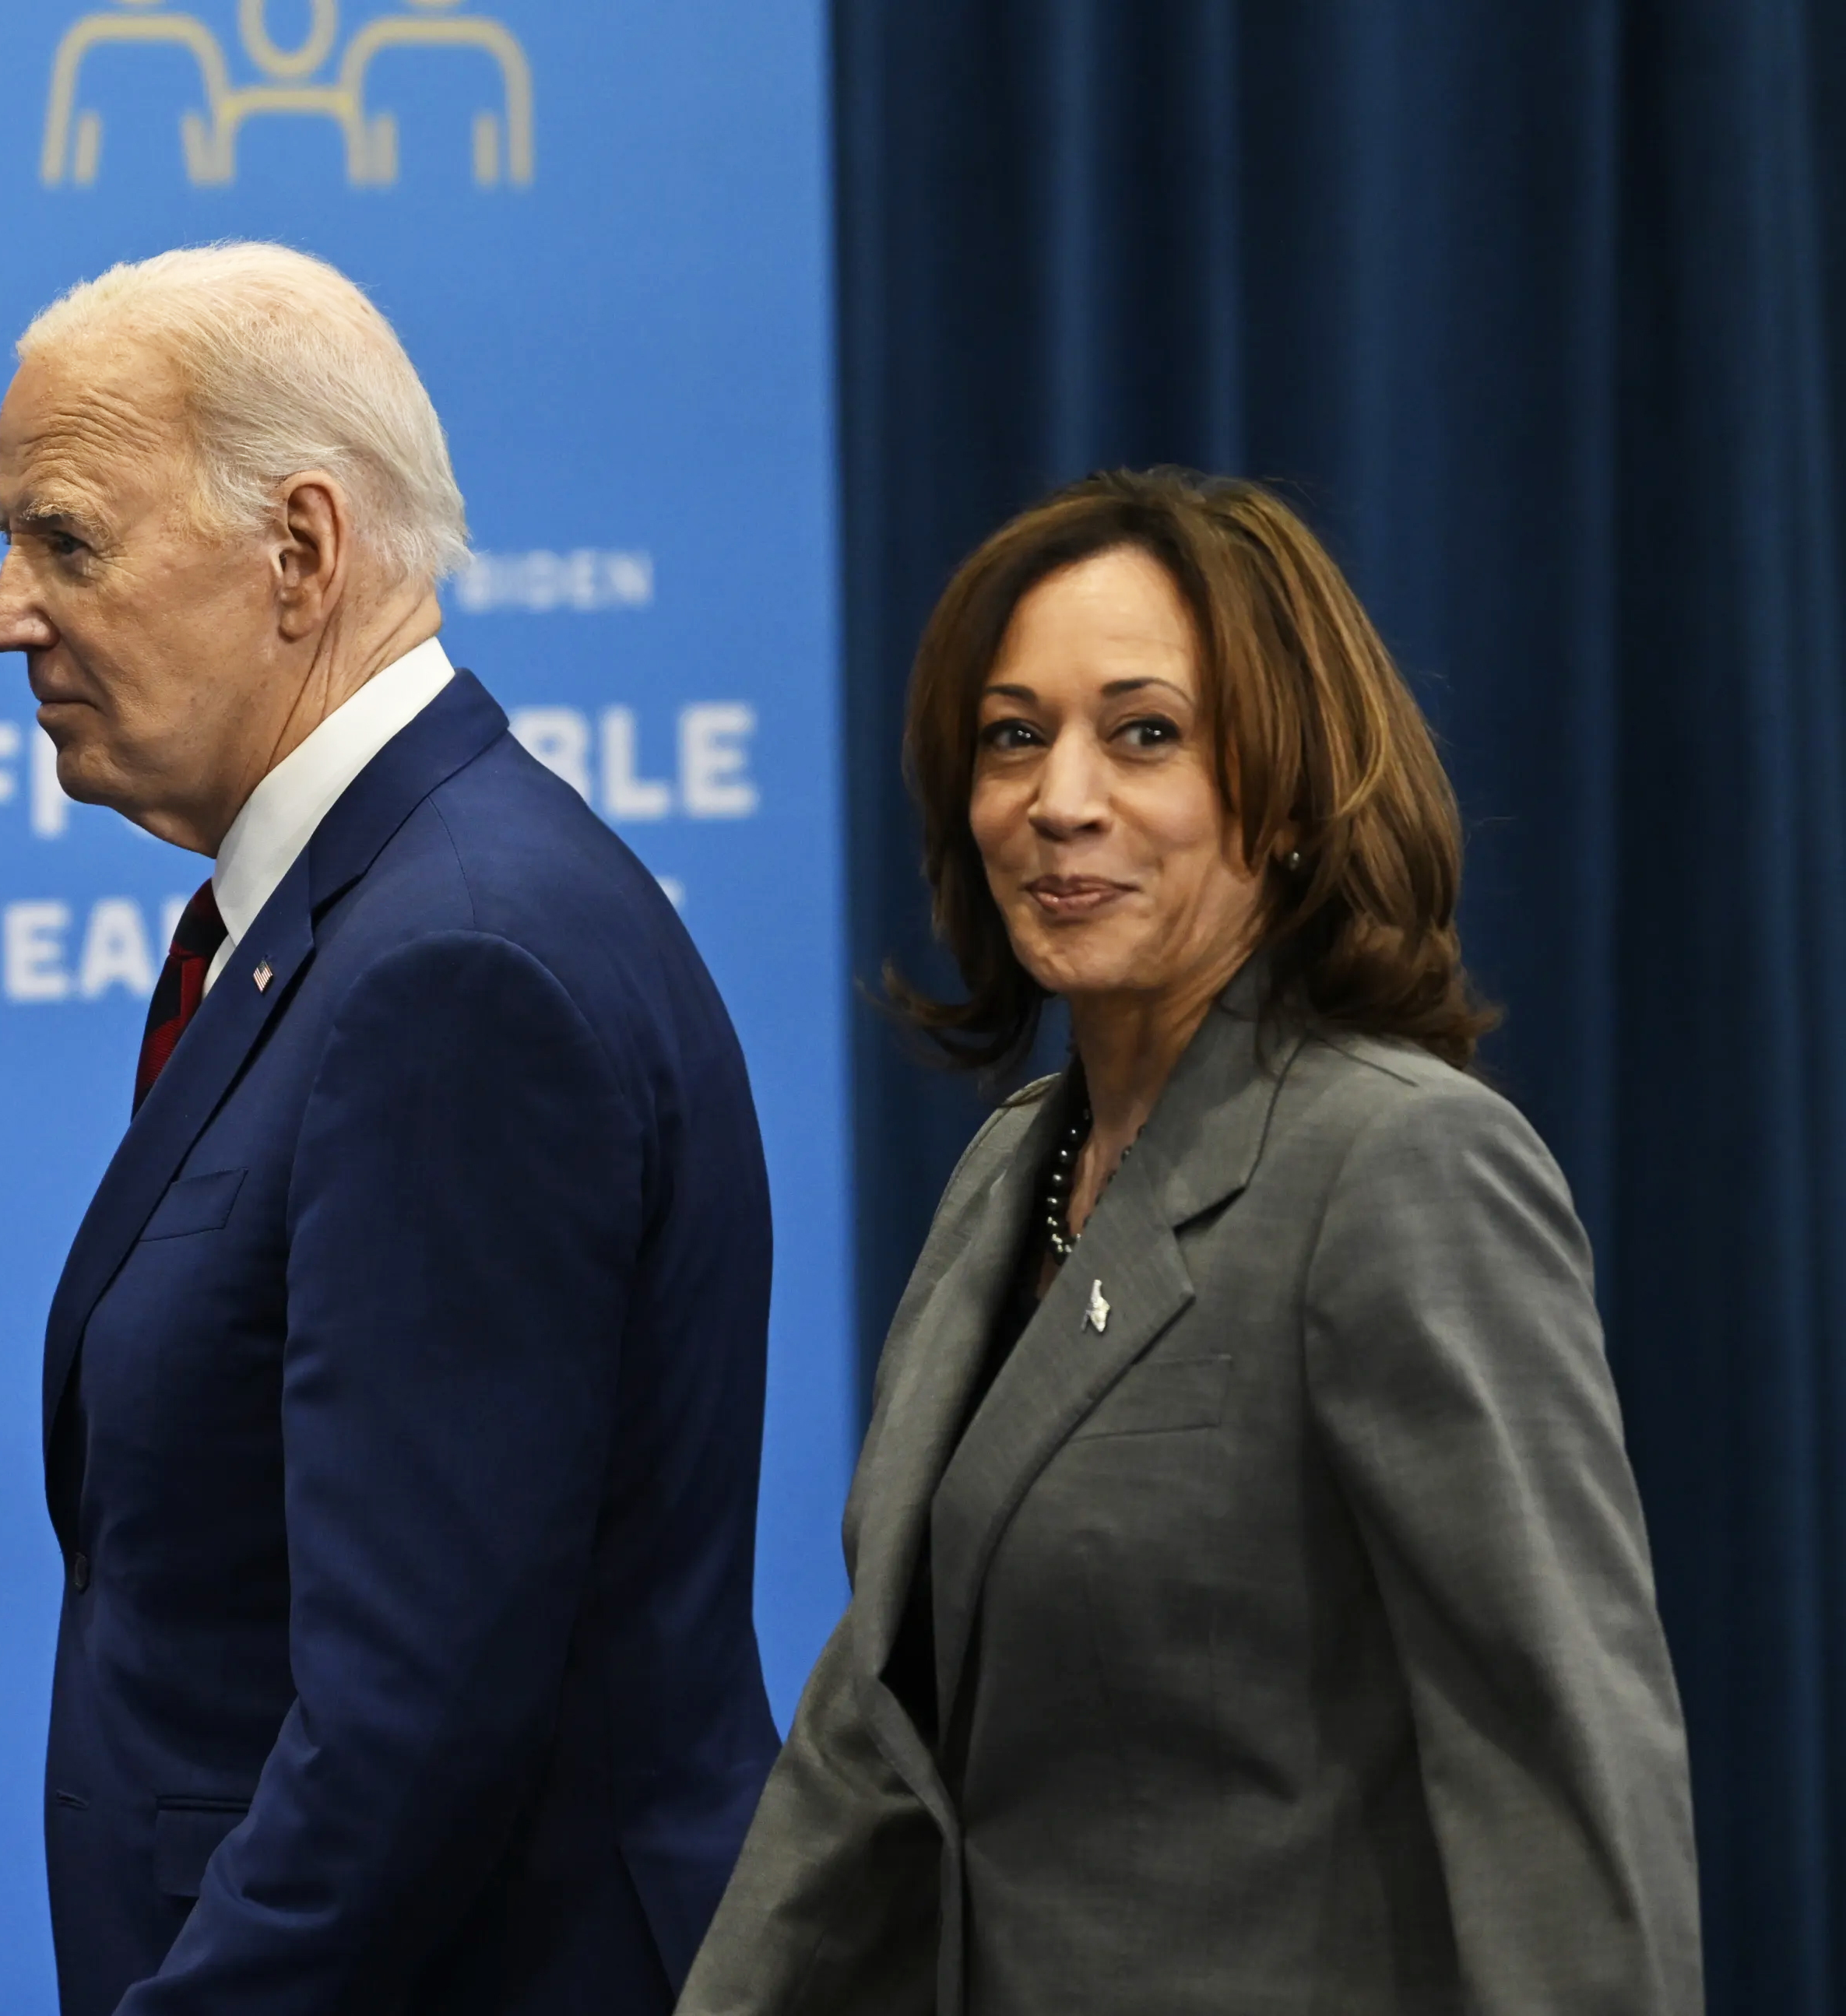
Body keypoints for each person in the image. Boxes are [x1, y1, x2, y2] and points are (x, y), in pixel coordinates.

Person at [680, 469, 1701, 2015]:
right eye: (1014, 735)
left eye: (1144, 732)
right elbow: (875, 1734)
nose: (1061, 796)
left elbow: (1556, 1772)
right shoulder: (1010, 1168)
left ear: (1284, 798)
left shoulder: (1400, 1162)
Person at [0, 242, 781, 2015]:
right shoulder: (356, 925)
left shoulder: (458, 969)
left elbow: (413, 1718)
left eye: (65, 539)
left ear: (302, 552)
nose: (4, 612)